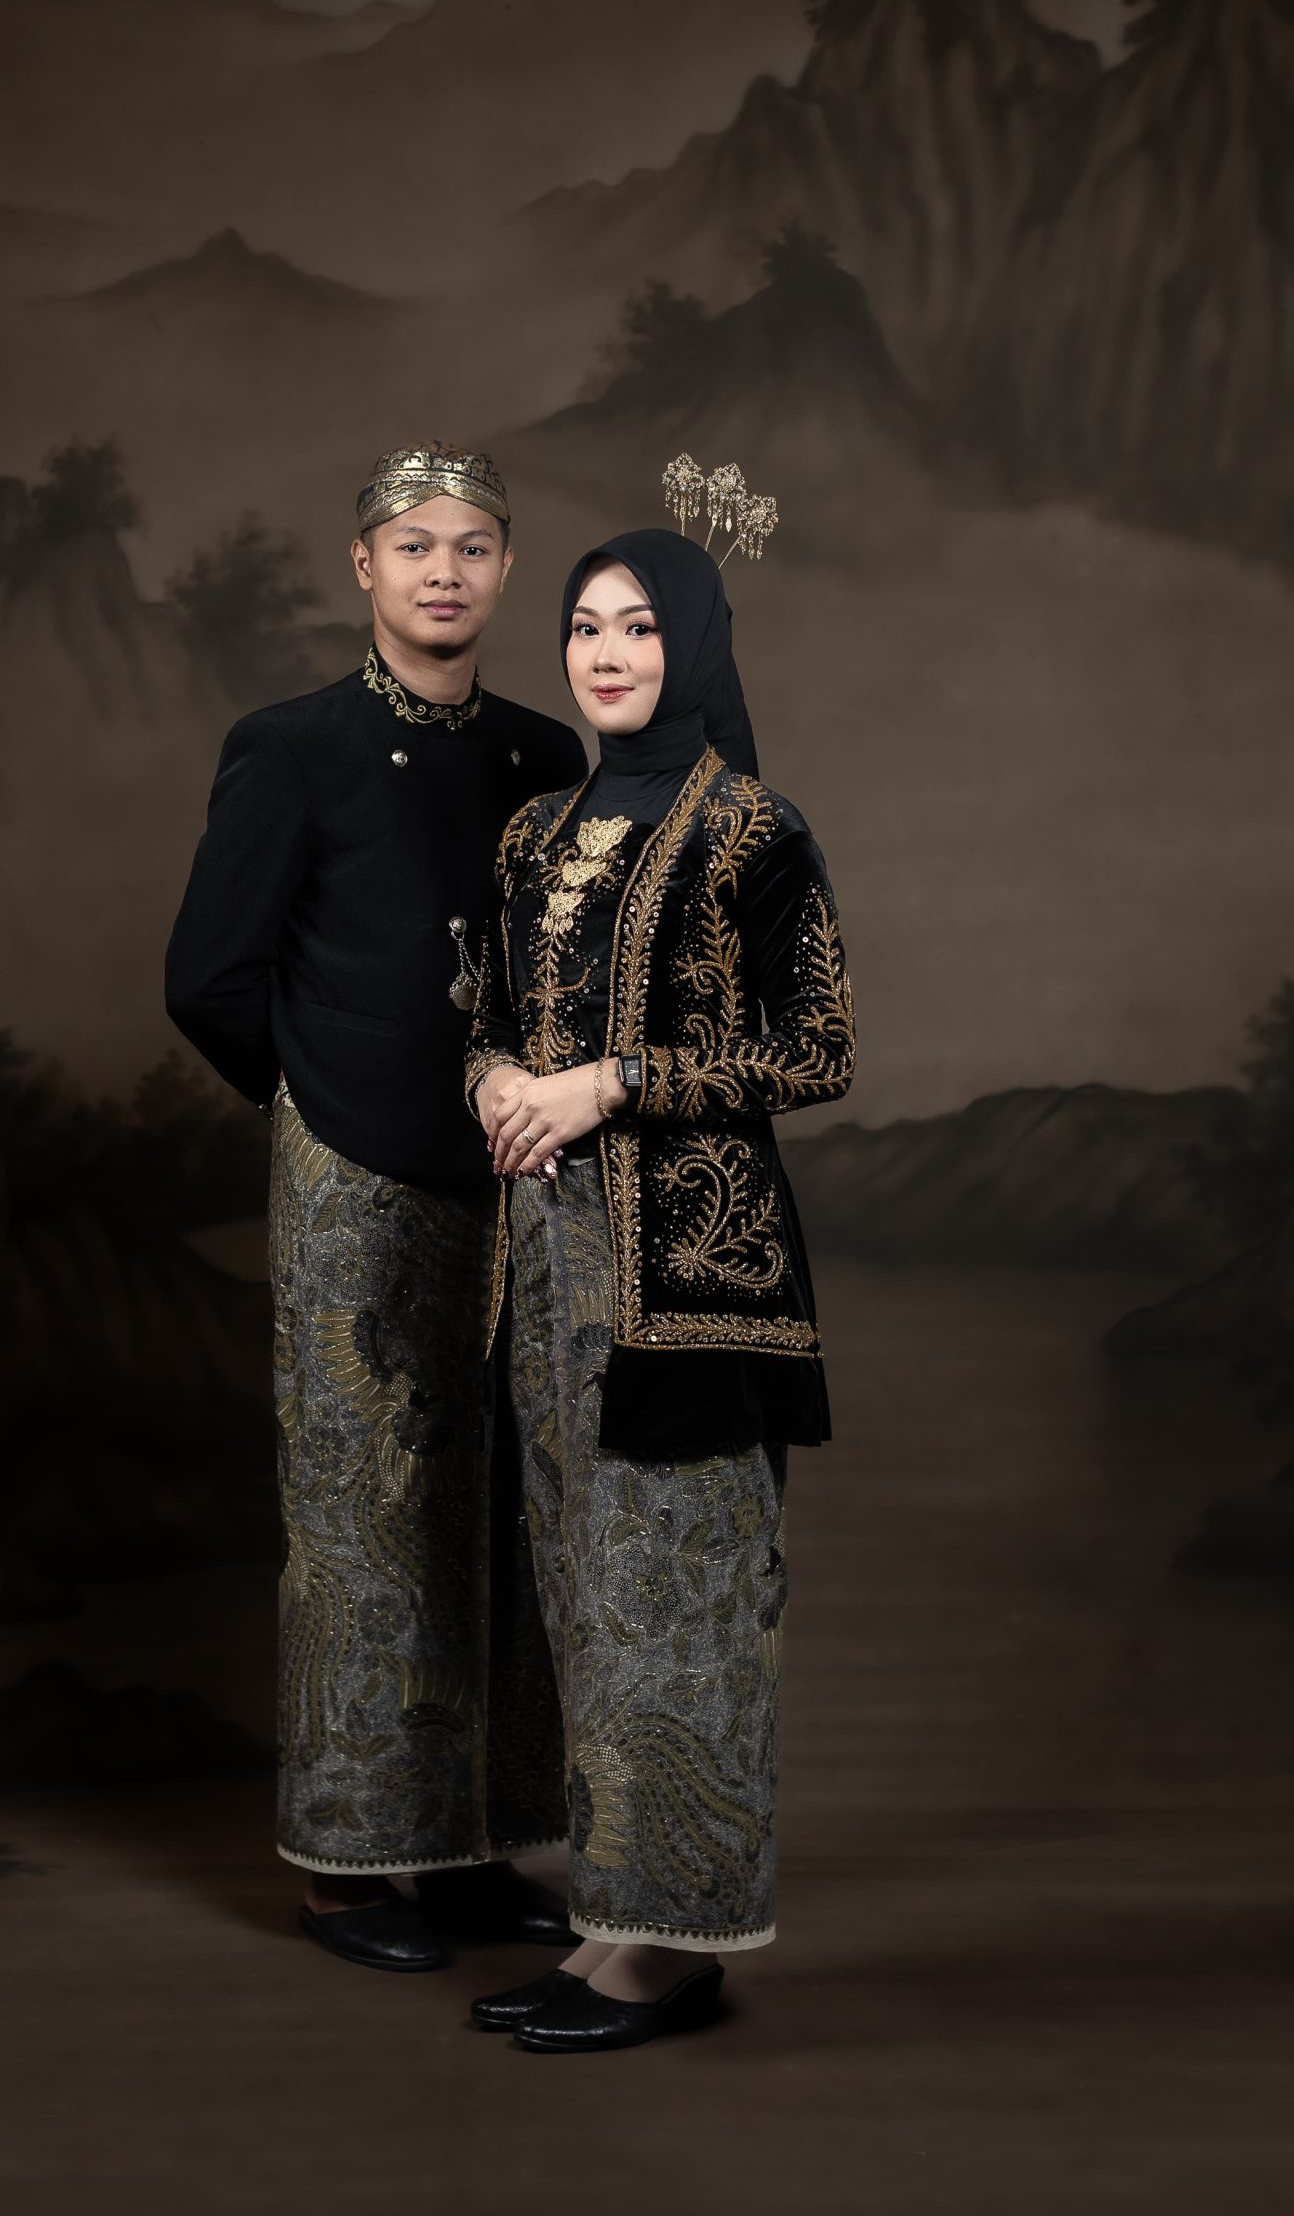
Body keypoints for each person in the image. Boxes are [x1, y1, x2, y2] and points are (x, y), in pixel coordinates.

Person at [164, 443, 585, 1973]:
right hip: (353, 1165)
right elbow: (208, 976)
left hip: (513, 1168)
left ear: (504, 568)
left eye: (471, 546)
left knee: (500, 1504)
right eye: (414, 546)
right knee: (360, 1522)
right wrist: (313, 1098)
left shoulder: (541, 753)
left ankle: (468, 1847)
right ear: (363, 567)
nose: (443, 572)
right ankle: (347, 1871)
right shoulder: (290, 745)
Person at [463, 521, 855, 2052]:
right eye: (583, 627)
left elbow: (814, 1048)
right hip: (547, 1268)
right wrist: (497, 1079)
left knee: (679, 1602)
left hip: (694, 1272)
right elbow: (482, 1010)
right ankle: (610, 1924)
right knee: (584, 1592)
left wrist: (610, 1082)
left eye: (637, 626)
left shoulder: (751, 828)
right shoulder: (531, 833)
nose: (606, 654)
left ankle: (675, 1946)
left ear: (690, 643)